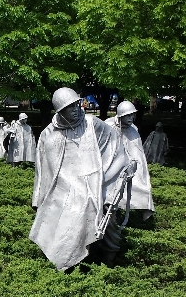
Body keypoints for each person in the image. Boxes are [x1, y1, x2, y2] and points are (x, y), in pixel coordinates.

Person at [30, 88, 135, 269]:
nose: (75, 109)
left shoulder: (92, 123)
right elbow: (43, 171)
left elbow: (114, 145)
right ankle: (65, 261)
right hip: (64, 188)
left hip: (96, 182)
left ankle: (108, 261)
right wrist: (40, 198)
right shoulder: (48, 135)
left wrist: (125, 164)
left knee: (104, 215)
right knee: (63, 212)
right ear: (60, 111)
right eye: (69, 107)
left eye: (76, 104)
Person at [105, 101, 154, 220]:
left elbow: (138, 154)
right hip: (112, 168)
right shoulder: (108, 126)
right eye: (128, 115)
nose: (131, 118)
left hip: (130, 168)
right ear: (121, 115)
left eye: (132, 115)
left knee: (143, 188)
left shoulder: (134, 130)